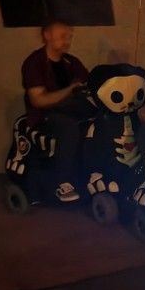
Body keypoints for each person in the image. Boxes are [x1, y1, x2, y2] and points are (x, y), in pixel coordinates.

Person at [20, 19, 94, 201]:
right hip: (45, 116)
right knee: (68, 127)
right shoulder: (34, 63)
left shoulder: (72, 62)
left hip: (73, 110)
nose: (67, 40)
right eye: (62, 36)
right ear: (47, 35)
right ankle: (62, 182)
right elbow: (38, 100)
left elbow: (88, 84)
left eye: (69, 36)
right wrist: (70, 90)